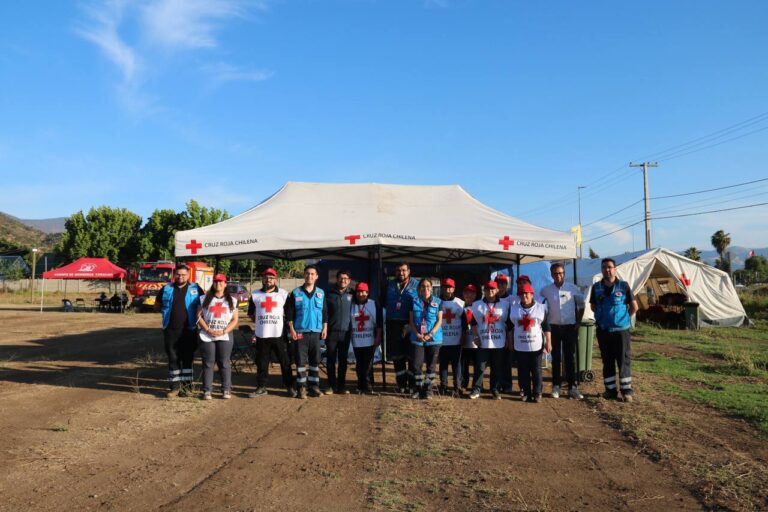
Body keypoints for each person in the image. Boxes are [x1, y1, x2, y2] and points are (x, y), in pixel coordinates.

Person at [589, 258, 639, 402]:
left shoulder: (624, 286)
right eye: (604, 267)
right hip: (604, 331)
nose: (607, 270)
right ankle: (610, 391)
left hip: (621, 331)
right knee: (607, 360)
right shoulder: (596, 287)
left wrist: (623, 319)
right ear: (602, 270)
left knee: (623, 360)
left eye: (610, 267)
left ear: (615, 269)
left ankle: (626, 391)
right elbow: (593, 306)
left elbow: (634, 307)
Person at [155, 264, 204, 398]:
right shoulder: (166, 288)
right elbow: (157, 305)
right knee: (173, 358)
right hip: (170, 330)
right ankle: (174, 388)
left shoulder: (196, 288)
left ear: (188, 275)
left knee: (188, 359)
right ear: (174, 275)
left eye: (183, 274)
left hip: (189, 330)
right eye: (178, 274)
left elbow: (203, 306)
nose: (180, 276)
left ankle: (187, 388)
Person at [540, 263, 585, 400]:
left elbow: (581, 306)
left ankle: (572, 387)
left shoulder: (573, 288)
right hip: (554, 328)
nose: (557, 275)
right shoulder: (545, 290)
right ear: (551, 274)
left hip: (570, 327)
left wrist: (578, 321)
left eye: (560, 273)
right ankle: (556, 386)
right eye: (555, 273)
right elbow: (540, 306)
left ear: (564, 273)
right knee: (556, 358)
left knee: (570, 358)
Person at [247, 267, 295, 398]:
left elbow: (289, 314)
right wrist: (262, 321)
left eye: (271, 277)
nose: (268, 279)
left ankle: (289, 386)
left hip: (279, 334)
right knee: (262, 362)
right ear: (262, 279)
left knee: (285, 361)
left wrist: (290, 328)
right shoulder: (256, 294)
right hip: (262, 334)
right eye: (266, 277)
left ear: (275, 279)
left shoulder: (283, 294)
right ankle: (261, 387)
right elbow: (251, 313)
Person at [286, 264, 328, 399]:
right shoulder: (296, 292)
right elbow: (289, 314)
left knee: (315, 361)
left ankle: (314, 387)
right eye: (307, 273)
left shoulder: (321, 293)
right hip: (300, 332)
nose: (309, 276)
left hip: (316, 332)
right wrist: (291, 329)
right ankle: (301, 388)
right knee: (301, 362)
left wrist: (325, 327)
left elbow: (325, 312)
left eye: (312, 274)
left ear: (316, 277)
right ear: (304, 275)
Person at [196, 274, 238, 400]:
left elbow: (235, 320)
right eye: (216, 281)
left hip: (225, 335)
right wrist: (208, 329)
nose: (218, 284)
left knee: (224, 362)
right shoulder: (203, 298)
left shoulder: (233, 300)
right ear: (213, 283)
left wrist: (224, 331)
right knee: (208, 363)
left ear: (225, 284)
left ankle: (226, 389)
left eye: (221, 282)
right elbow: (198, 317)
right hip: (207, 335)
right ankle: (207, 391)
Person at [469, 281, 512, 400]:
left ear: (497, 290)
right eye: (487, 289)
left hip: (499, 341)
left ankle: (495, 389)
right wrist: (476, 337)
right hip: (483, 341)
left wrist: (509, 340)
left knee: (497, 367)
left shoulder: (505, 304)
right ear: (484, 291)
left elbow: (508, 324)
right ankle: (476, 389)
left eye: (493, 289)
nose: (490, 292)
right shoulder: (477, 304)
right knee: (480, 367)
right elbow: (473, 323)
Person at [510, 283, 552, 403]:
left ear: (532, 294)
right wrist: (510, 342)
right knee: (523, 370)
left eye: (526, 293)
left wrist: (548, 342)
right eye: (522, 294)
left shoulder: (540, 308)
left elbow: (546, 327)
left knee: (536, 370)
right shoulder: (514, 309)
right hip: (520, 345)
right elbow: (511, 328)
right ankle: (525, 392)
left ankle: (537, 392)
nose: (524, 296)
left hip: (536, 345)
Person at [384, 262, 419, 393]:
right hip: (394, 324)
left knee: (411, 356)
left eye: (404, 270)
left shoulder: (416, 285)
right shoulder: (389, 285)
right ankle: (401, 384)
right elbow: (382, 302)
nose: (401, 273)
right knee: (397, 357)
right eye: (398, 270)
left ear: (409, 271)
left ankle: (412, 385)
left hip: (410, 324)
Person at [408, 279, 443, 399]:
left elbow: (439, 320)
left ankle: (428, 390)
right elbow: (411, 321)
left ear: (431, 288)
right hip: (417, 337)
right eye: (423, 286)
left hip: (434, 338)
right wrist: (417, 333)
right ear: (419, 288)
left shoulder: (438, 302)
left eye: (428, 286)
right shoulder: (414, 301)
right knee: (416, 365)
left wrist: (431, 334)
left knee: (431, 366)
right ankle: (418, 389)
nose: (426, 288)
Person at [325, 270, 354, 394]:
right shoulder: (329, 294)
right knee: (330, 360)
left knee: (343, 360)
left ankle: (341, 386)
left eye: (346, 278)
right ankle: (331, 386)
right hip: (331, 332)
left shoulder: (353, 294)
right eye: (341, 278)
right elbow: (324, 312)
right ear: (336, 279)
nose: (343, 280)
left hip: (346, 332)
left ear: (349, 280)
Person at [349, 282, 381, 394]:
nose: (360, 294)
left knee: (368, 364)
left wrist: (378, 337)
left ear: (367, 292)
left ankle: (368, 385)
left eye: (363, 291)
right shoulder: (351, 304)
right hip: (357, 340)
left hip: (369, 339)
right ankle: (360, 384)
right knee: (359, 364)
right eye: (358, 291)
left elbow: (379, 323)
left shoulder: (373, 304)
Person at [438, 278, 464, 397]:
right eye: (445, 287)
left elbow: (464, 323)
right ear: (442, 288)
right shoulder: (437, 302)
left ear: (453, 288)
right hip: (441, 339)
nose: (447, 289)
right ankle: (443, 385)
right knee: (443, 364)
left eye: (450, 287)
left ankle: (457, 386)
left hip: (456, 340)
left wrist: (463, 336)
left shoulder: (460, 303)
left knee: (456, 365)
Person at [460, 284, 478, 391]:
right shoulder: (459, 307)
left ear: (475, 294)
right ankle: (463, 384)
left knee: (477, 365)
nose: (469, 295)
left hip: (476, 342)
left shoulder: (479, 306)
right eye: (466, 293)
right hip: (464, 340)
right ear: (463, 294)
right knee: (463, 365)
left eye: (471, 293)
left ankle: (476, 385)